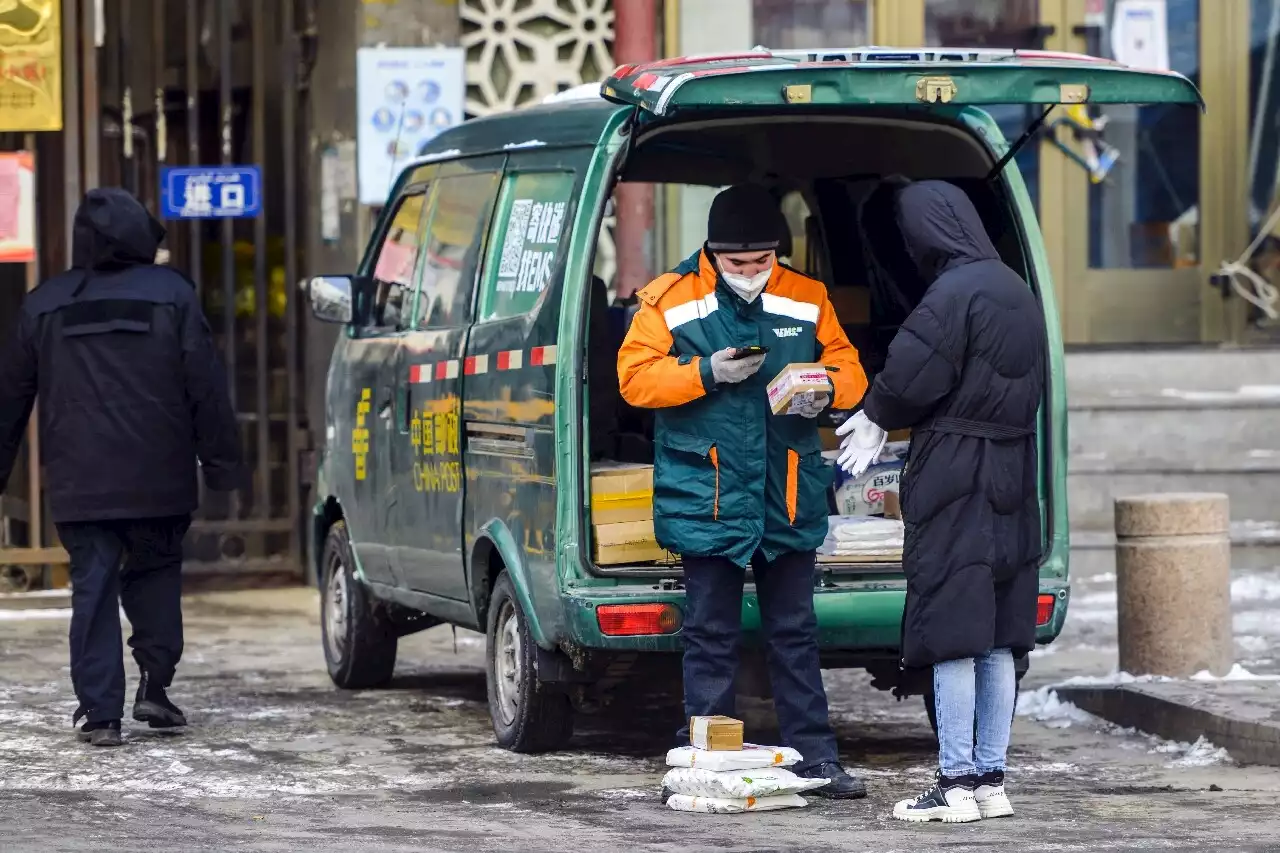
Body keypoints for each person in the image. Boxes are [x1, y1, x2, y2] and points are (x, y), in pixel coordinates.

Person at [617, 183, 869, 798]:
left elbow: (850, 368)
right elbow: (634, 378)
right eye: (739, 265)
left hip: (785, 492)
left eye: (764, 262)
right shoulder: (671, 300)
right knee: (709, 635)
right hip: (709, 492)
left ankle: (817, 759)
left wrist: (823, 387)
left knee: (794, 632)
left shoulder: (807, 297)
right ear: (712, 253)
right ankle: (706, 763)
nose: (754, 274)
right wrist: (706, 371)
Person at [0, 188, 243, 747]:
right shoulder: (172, 294)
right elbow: (205, 385)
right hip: (159, 476)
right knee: (156, 576)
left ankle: (101, 714)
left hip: (79, 479)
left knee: (92, 587)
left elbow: (9, 400)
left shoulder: (45, 302)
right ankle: (155, 688)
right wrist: (224, 465)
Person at [837, 180, 1046, 823]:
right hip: (1013, 466)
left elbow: (912, 371)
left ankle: (953, 781)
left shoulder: (951, 293)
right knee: (999, 633)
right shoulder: (1018, 289)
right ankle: (990, 779)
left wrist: (875, 413)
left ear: (926, 232)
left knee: (951, 627)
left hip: (957, 470)